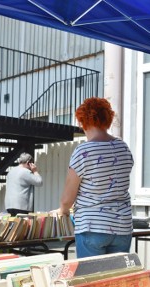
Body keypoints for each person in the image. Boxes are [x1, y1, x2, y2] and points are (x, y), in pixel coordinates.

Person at [56, 97, 134, 258]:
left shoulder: (83, 151)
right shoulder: (123, 147)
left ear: (82, 121)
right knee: (115, 280)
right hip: (122, 227)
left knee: (92, 279)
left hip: (93, 226)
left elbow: (67, 198)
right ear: (108, 119)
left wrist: (63, 211)